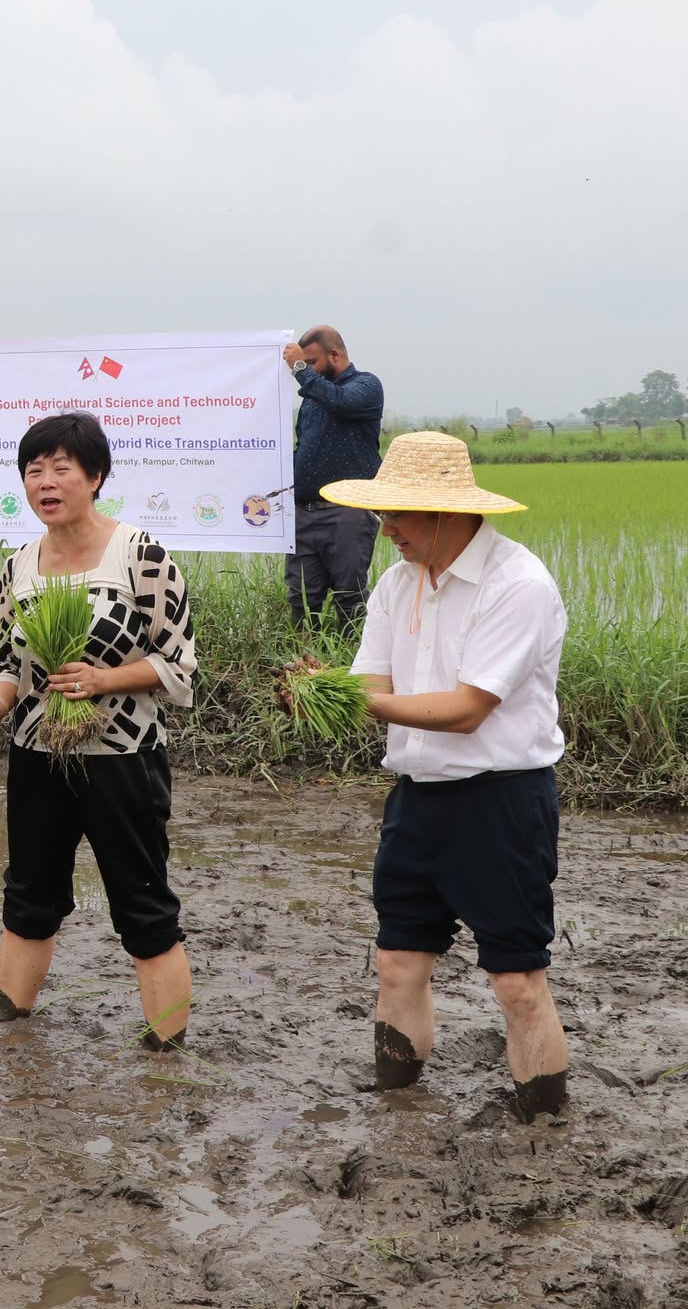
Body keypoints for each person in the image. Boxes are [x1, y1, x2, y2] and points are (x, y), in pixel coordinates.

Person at [316, 431, 570, 1119]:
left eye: (397, 514)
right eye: (382, 514)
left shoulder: (517, 585)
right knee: (398, 963)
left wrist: (359, 700)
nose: (386, 529)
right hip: (416, 799)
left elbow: (465, 710)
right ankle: (396, 1107)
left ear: (447, 512)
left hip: (501, 802)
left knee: (516, 978)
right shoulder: (398, 583)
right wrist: (327, 690)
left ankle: (545, 1126)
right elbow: (371, 682)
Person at [0, 412, 198, 1048]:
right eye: (33, 470)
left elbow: (179, 666)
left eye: (61, 468)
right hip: (36, 754)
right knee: (28, 897)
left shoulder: (141, 555)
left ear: (95, 477)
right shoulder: (19, 565)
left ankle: (167, 1055)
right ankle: (12, 1036)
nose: (45, 481)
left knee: (142, 902)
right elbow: (6, 661)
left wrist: (102, 680)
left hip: (122, 758)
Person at [284, 325, 383, 629]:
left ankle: (353, 658)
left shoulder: (366, 385)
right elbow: (304, 444)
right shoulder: (313, 398)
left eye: (311, 362)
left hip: (348, 513)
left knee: (349, 596)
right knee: (301, 599)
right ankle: (303, 658)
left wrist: (299, 369)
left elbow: (342, 402)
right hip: (304, 514)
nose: (306, 369)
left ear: (335, 355)